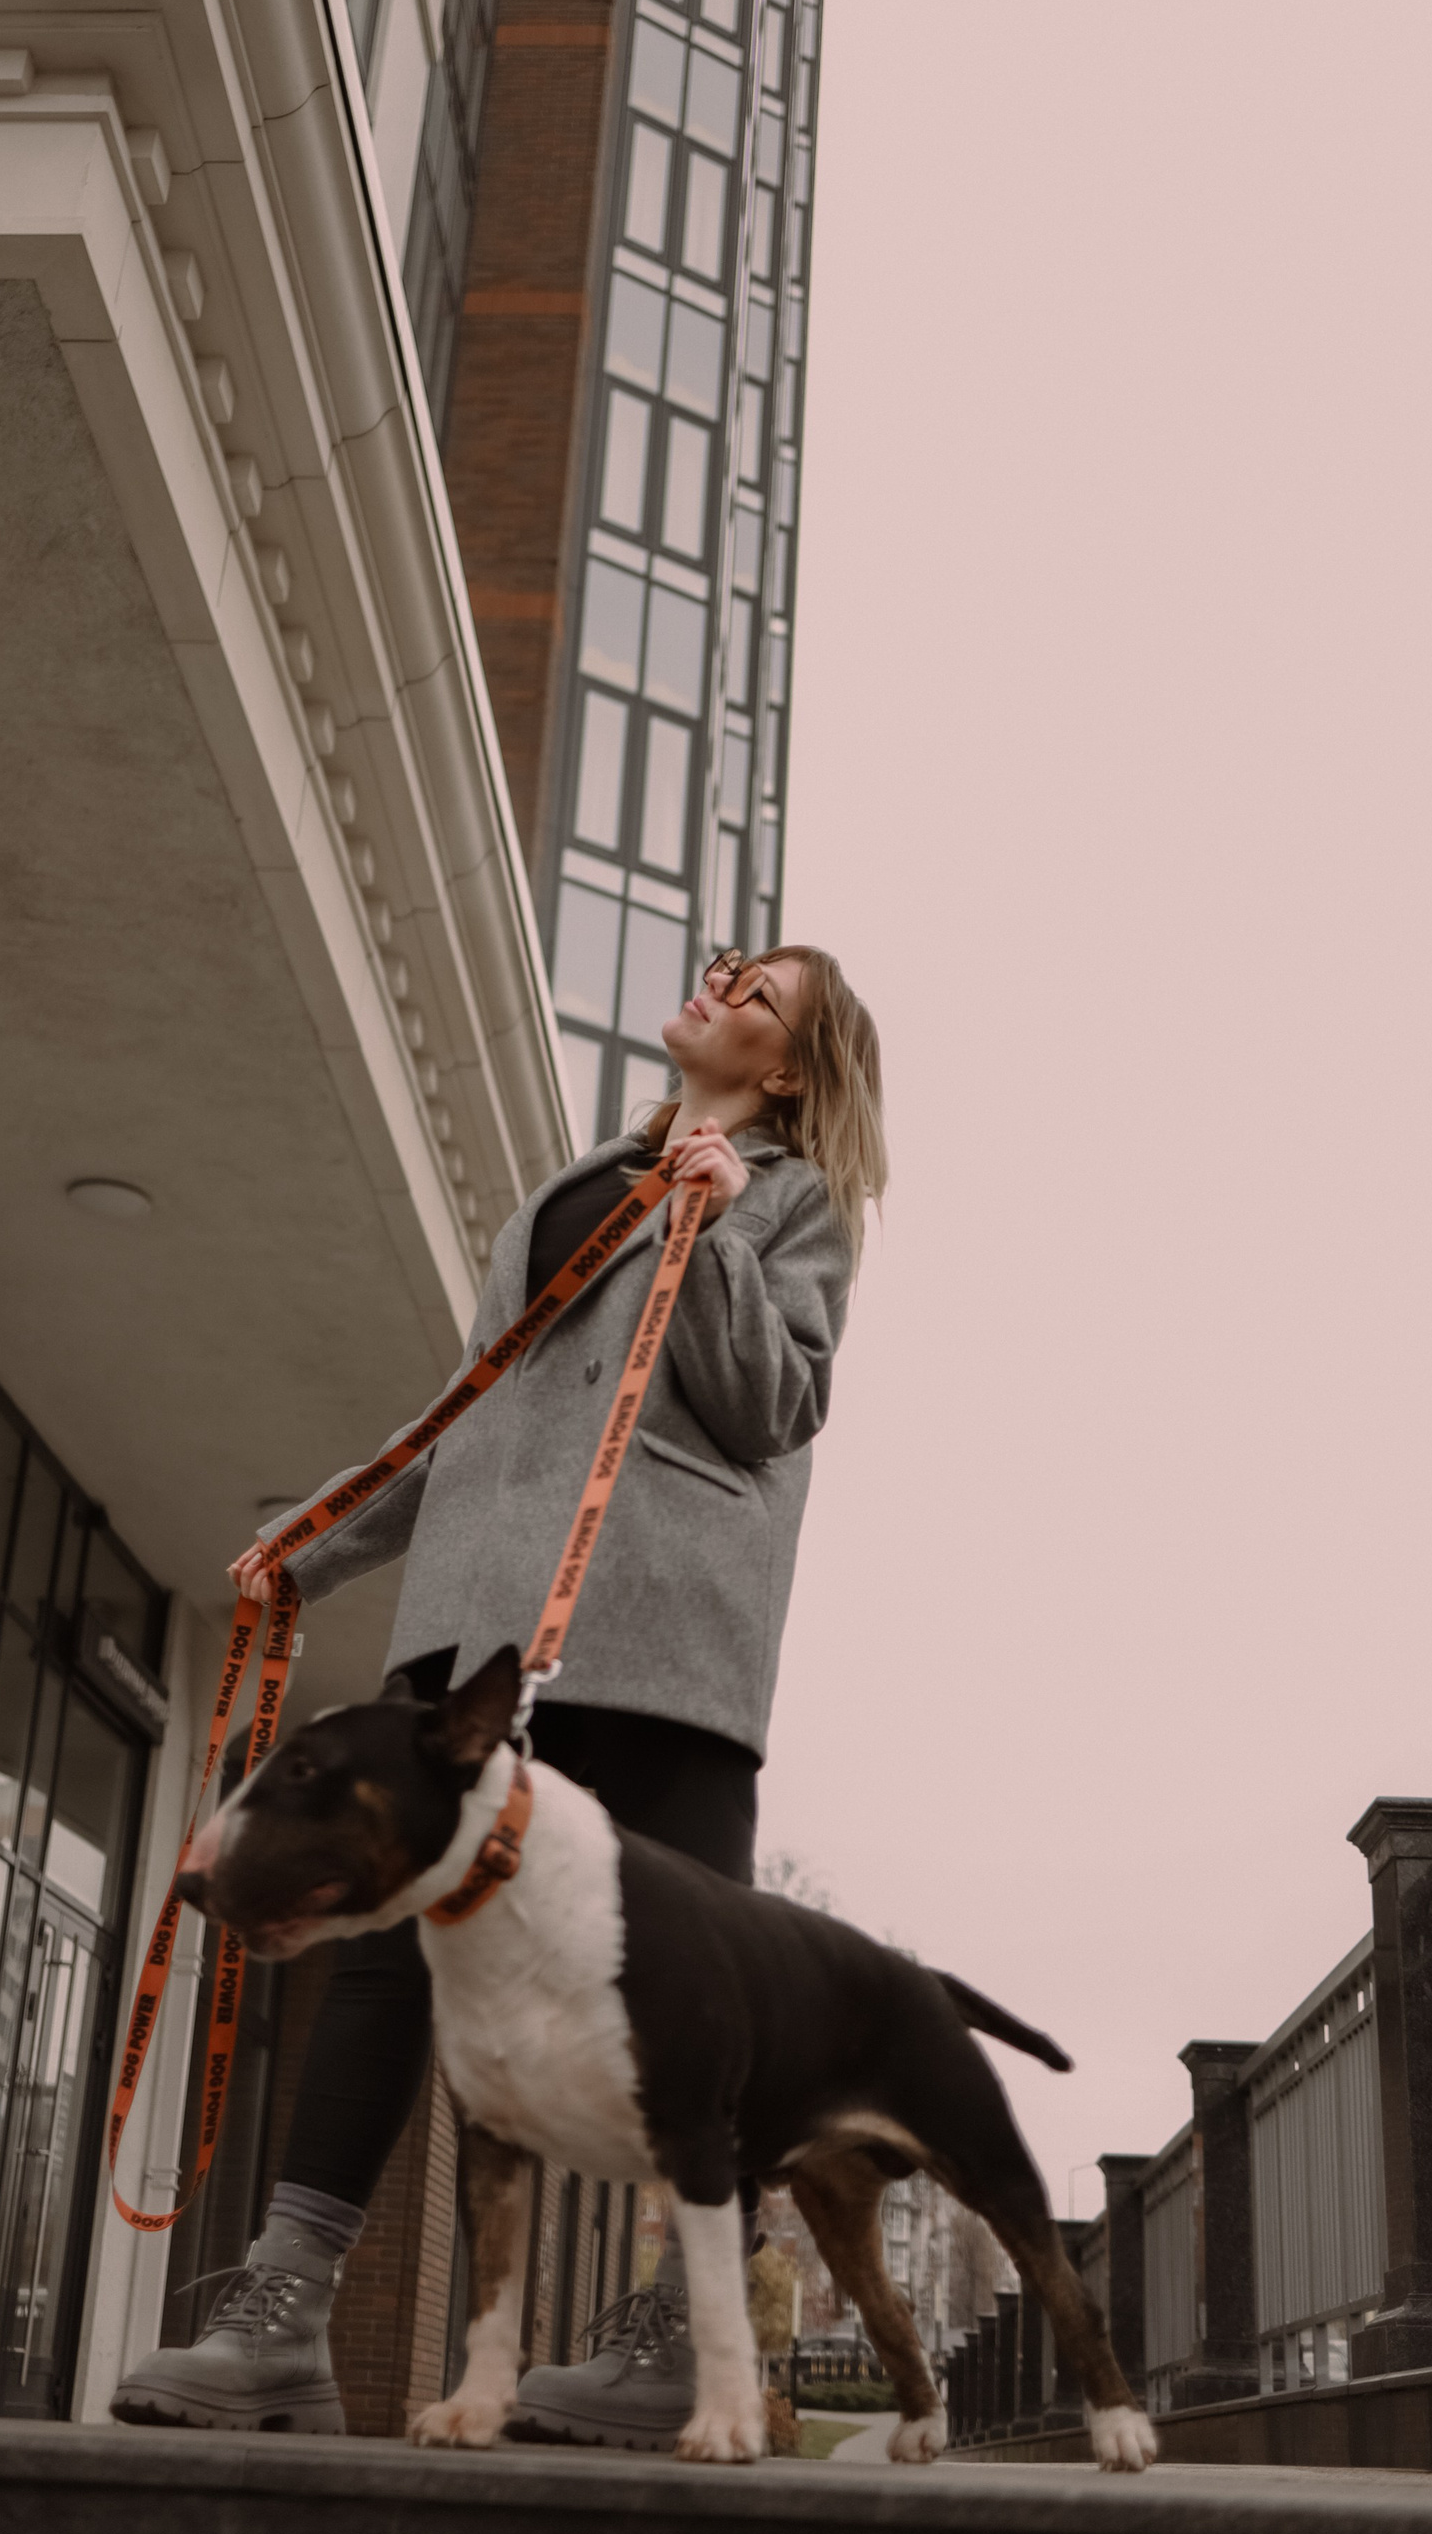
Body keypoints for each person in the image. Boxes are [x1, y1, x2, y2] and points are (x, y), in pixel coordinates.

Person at [112, 944, 886, 2446]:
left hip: (658, 1641)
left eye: (756, 991)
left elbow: (773, 1406)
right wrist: (311, 1542)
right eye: (723, 965)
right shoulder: (581, 1181)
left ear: (791, 1068)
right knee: (387, 1953)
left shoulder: (792, 1202)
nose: (718, 982)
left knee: (679, 1982)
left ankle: (684, 2338)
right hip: (472, 1636)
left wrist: (716, 1231)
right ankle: (281, 2323)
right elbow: (481, 1413)